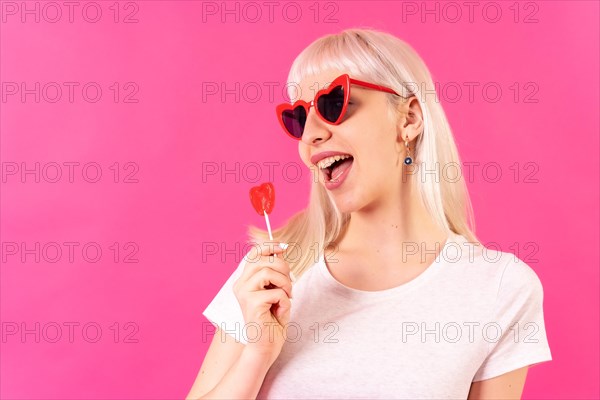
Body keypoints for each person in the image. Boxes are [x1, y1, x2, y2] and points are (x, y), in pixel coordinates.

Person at [186, 28, 552, 399]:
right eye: (298, 117)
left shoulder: (499, 287)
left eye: (333, 104)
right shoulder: (272, 277)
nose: (310, 134)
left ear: (408, 119)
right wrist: (257, 353)